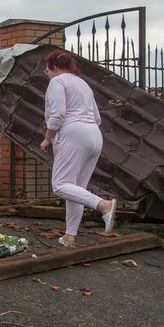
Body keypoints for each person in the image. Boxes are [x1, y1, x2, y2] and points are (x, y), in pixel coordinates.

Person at [39, 49, 117, 247]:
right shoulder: (83, 84)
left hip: (73, 133)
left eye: (47, 69)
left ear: (54, 67)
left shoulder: (57, 81)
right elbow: (98, 118)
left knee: (60, 185)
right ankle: (69, 237)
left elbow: (57, 115)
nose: (46, 73)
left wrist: (48, 139)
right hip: (94, 135)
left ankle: (103, 205)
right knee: (75, 189)